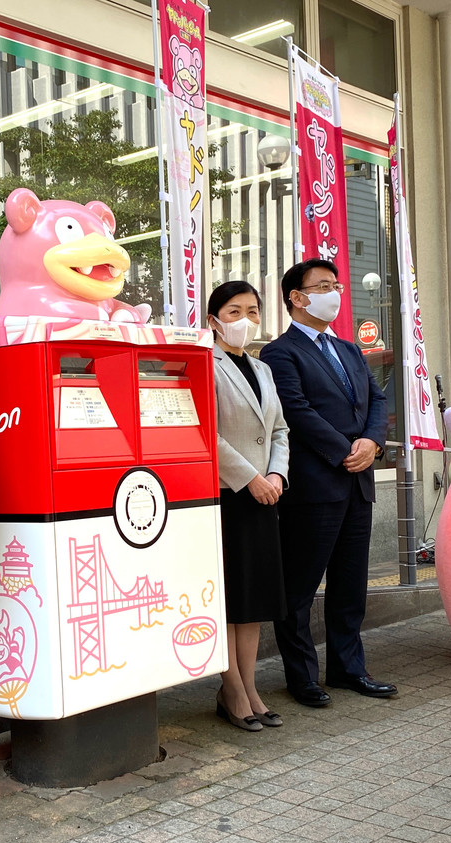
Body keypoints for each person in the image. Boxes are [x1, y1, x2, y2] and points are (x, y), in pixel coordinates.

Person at [258, 259, 396, 707]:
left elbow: (376, 398)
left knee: (350, 585)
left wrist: (372, 442)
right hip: (316, 486)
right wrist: (344, 449)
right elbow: (294, 411)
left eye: (335, 285)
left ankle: (348, 669)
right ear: (297, 298)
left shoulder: (349, 349)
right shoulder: (280, 352)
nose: (334, 293)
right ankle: (302, 677)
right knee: (299, 588)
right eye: (323, 286)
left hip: (358, 483)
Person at [207, 280, 289, 731]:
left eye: (253, 311)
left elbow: (280, 430)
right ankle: (231, 688)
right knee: (231, 597)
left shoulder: (263, 369)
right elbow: (205, 433)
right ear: (214, 320)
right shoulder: (204, 364)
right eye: (235, 311)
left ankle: (250, 685)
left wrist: (276, 475)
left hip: (265, 495)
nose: (245, 320)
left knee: (254, 598)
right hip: (226, 496)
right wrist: (250, 478)